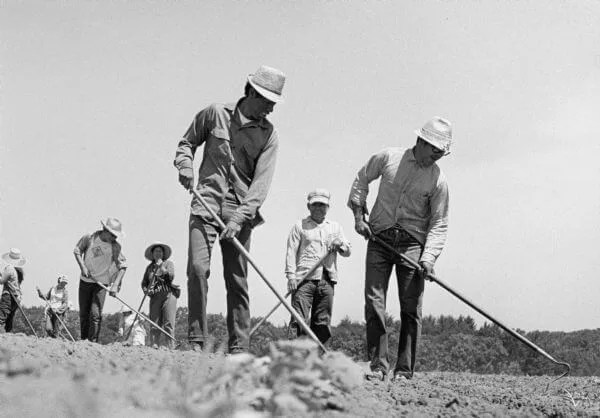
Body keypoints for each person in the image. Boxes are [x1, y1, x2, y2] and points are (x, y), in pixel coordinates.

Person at [174, 65, 285, 353]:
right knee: (198, 269)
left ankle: (239, 347)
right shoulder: (214, 113)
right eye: (268, 101)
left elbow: (260, 186)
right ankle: (197, 341)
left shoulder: (269, 135)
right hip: (205, 204)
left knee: (236, 279)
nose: (271, 109)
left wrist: (239, 218)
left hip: (240, 211)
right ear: (252, 93)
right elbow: (186, 143)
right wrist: (185, 167)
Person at [348, 117, 452, 381]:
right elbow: (361, 180)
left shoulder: (438, 181)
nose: (437, 156)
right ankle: (378, 366)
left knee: (410, 308)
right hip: (379, 240)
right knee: (374, 303)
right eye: (435, 150)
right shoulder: (388, 157)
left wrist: (428, 259)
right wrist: (359, 217)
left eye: (441, 153)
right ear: (421, 141)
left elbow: (439, 223)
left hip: (412, 246)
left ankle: (404, 370)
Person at [285, 189, 351, 344]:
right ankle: (293, 360)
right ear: (309, 206)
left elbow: (348, 251)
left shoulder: (335, 227)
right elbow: (290, 252)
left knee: (322, 322)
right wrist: (291, 276)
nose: (319, 208)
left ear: (328, 208)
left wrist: (340, 243)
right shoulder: (299, 226)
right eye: (315, 205)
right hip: (304, 280)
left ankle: (318, 360)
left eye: (323, 205)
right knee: (298, 320)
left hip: (327, 280)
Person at [73, 218, 127, 342]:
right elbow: (77, 251)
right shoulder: (90, 238)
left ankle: (93, 342)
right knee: (84, 314)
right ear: (105, 230)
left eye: (116, 236)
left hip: (101, 285)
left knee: (95, 314)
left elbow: (123, 266)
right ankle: (83, 341)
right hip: (85, 281)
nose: (115, 238)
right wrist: (83, 267)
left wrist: (115, 285)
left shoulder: (115, 247)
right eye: (113, 235)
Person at [141, 242, 178, 349]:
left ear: (163, 253)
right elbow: (144, 283)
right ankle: (154, 344)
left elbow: (170, 276)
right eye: (156, 251)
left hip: (168, 295)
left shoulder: (168, 263)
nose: (158, 253)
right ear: (152, 254)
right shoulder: (149, 268)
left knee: (168, 322)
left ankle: (170, 346)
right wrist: (146, 290)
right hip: (155, 296)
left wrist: (161, 266)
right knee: (154, 322)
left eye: (160, 251)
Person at [0, 248, 26, 333]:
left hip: (8, 296)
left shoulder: (10, 268)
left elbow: (2, 281)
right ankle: (8, 336)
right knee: (9, 319)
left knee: (1, 317)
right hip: (16, 297)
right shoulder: (18, 270)